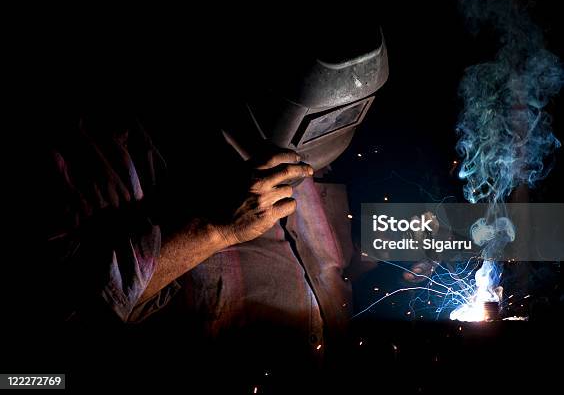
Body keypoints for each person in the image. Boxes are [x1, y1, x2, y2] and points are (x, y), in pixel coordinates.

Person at [32, 20, 388, 388]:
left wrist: (399, 258)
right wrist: (214, 229)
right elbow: (70, 319)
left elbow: (334, 269)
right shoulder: (110, 150)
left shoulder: (316, 149)